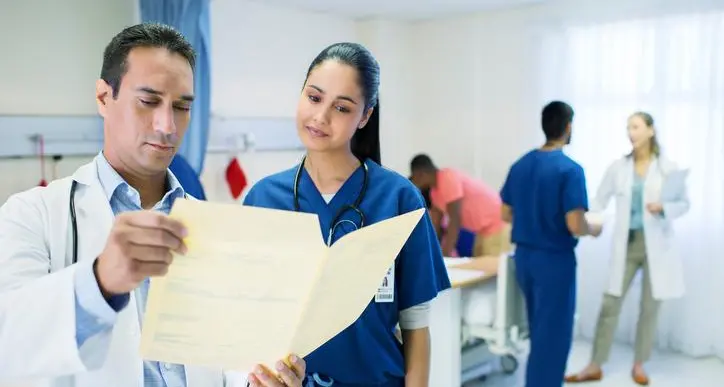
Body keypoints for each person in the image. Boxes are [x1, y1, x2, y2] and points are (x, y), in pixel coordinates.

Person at [0, 23, 304, 387]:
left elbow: (228, 359)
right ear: (102, 98)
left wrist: (258, 380)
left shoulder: (211, 224)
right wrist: (99, 282)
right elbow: (11, 340)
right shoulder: (31, 215)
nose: (167, 126)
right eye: (148, 101)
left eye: (181, 107)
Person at [242, 42, 451, 387]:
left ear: (365, 116)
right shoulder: (263, 198)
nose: (321, 117)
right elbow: (247, 316)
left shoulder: (399, 199)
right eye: (313, 98)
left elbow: (416, 325)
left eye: (341, 107)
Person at [565, 112, 690, 386]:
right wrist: (579, 213)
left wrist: (664, 208)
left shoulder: (667, 167)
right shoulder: (618, 168)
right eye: (628, 128)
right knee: (610, 303)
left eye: (635, 127)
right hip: (628, 243)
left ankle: (639, 364)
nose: (630, 132)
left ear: (650, 130)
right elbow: (598, 200)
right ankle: (595, 365)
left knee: (649, 307)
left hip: (657, 245)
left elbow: (683, 202)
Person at [499, 101, 602, 387]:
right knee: (552, 340)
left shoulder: (520, 165)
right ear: (568, 127)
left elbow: (505, 213)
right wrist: (594, 228)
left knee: (539, 332)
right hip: (553, 262)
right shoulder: (569, 170)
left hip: (524, 260)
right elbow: (575, 224)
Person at [410, 154, 511, 257]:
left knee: (493, 270)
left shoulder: (447, 177)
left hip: (497, 226)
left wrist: (444, 256)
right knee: (479, 270)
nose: (414, 184)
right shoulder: (434, 193)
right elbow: (435, 227)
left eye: (414, 178)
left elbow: (455, 219)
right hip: (482, 232)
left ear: (421, 174)